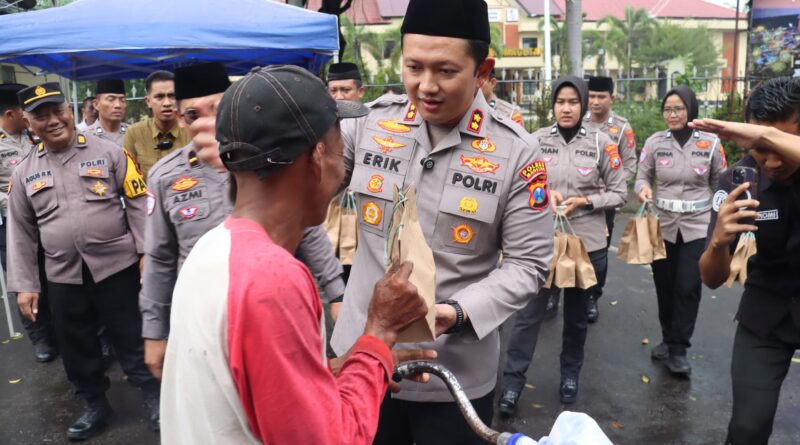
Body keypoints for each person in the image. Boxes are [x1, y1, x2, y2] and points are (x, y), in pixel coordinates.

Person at [160, 64, 434, 444]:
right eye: (341, 146)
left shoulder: (212, 250)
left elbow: (256, 390)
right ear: (318, 157)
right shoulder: (273, 280)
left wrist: (355, 365)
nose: (344, 165)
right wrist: (380, 334)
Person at [330, 0, 554, 442]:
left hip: (454, 380)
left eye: (446, 71)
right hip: (359, 364)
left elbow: (529, 265)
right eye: (414, 67)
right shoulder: (370, 124)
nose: (425, 86)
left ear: (483, 70)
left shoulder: (517, 153)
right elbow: (307, 195)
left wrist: (457, 314)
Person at [140, 62, 346, 380]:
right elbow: (160, 257)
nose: (207, 122)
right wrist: (154, 331)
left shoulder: (264, 157)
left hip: (276, 309)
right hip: (205, 319)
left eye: (216, 110)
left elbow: (307, 226)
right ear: (181, 120)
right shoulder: (166, 177)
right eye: (193, 115)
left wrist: (337, 292)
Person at [8, 82, 159, 440]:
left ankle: (153, 396)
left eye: (57, 110)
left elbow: (138, 202)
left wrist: (144, 252)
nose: (52, 120)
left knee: (132, 336)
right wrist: (26, 284)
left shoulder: (110, 153)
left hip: (117, 268)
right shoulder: (24, 171)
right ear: (29, 122)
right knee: (76, 346)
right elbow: (20, 233)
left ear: (70, 110)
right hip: (62, 276)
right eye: (40, 116)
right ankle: (94, 403)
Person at [499, 76, 627, 414]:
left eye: (573, 102)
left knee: (576, 318)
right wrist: (544, 195)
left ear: (583, 105)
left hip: (587, 244)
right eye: (560, 102)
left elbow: (619, 193)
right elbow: (520, 186)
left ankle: (570, 376)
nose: (566, 108)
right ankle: (512, 385)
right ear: (553, 105)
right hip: (541, 243)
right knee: (528, 316)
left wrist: (584, 201)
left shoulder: (603, 144)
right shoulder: (535, 141)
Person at [694, 77, 800, 445]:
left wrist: (767, 137)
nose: (770, 161)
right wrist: (719, 243)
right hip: (765, 313)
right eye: (758, 147)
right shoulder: (737, 182)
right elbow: (709, 278)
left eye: (776, 145)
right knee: (747, 428)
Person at [634, 86, 726, 376]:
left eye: (678, 109)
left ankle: (679, 349)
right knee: (665, 285)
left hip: (698, 226)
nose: (672, 115)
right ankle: (667, 337)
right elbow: (642, 176)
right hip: (662, 225)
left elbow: (720, 183)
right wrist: (644, 189)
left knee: (687, 286)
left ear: (691, 110)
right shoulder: (655, 142)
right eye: (668, 109)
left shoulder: (710, 143)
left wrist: (720, 222)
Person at [0, 83, 56, 363]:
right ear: (10, 113)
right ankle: (39, 337)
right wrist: (18, 201)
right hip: (10, 224)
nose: (30, 118)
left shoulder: (32, 138)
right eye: (25, 113)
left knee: (47, 277)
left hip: (44, 220)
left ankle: (54, 329)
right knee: (23, 280)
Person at [582, 75, 637, 322]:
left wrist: (611, 187)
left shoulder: (621, 128)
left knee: (599, 252)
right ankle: (556, 292)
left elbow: (630, 165)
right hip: (577, 197)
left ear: (611, 98)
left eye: (601, 96)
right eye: (591, 96)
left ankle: (592, 297)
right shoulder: (578, 121)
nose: (595, 101)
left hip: (605, 201)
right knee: (566, 245)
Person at [123, 71, 188, 178]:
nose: (167, 103)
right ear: (148, 101)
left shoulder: (191, 129)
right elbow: (129, 178)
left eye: (172, 96)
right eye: (159, 97)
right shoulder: (134, 133)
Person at [89, 79, 128, 146]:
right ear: (96, 104)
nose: (118, 105)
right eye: (111, 99)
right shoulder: (87, 136)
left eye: (122, 100)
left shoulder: (135, 134)